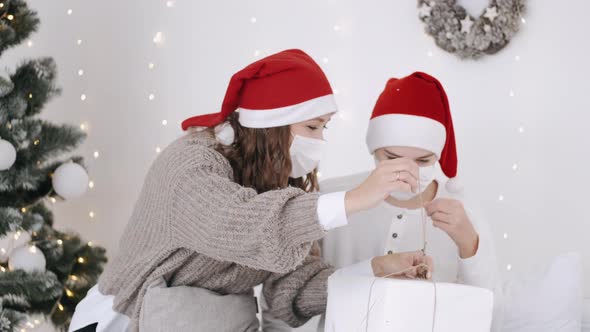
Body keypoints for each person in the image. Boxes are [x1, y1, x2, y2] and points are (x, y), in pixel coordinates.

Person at [67, 50, 433, 332]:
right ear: (272, 125)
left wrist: (375, 271)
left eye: (324, 128)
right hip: (128, 321)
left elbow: (291, 290)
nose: (320, 141)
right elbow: (243, 225)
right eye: (312, 126)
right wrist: (353, 199)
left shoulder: (279, 183)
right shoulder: (190, 165)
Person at [316, 72, 498, 330]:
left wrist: (468, 242)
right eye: (392, 157)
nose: (408, 170)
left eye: (423, 160)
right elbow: (291, 298)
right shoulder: (332, 198)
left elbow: (490, 307)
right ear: (374, 149)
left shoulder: (462, 207)